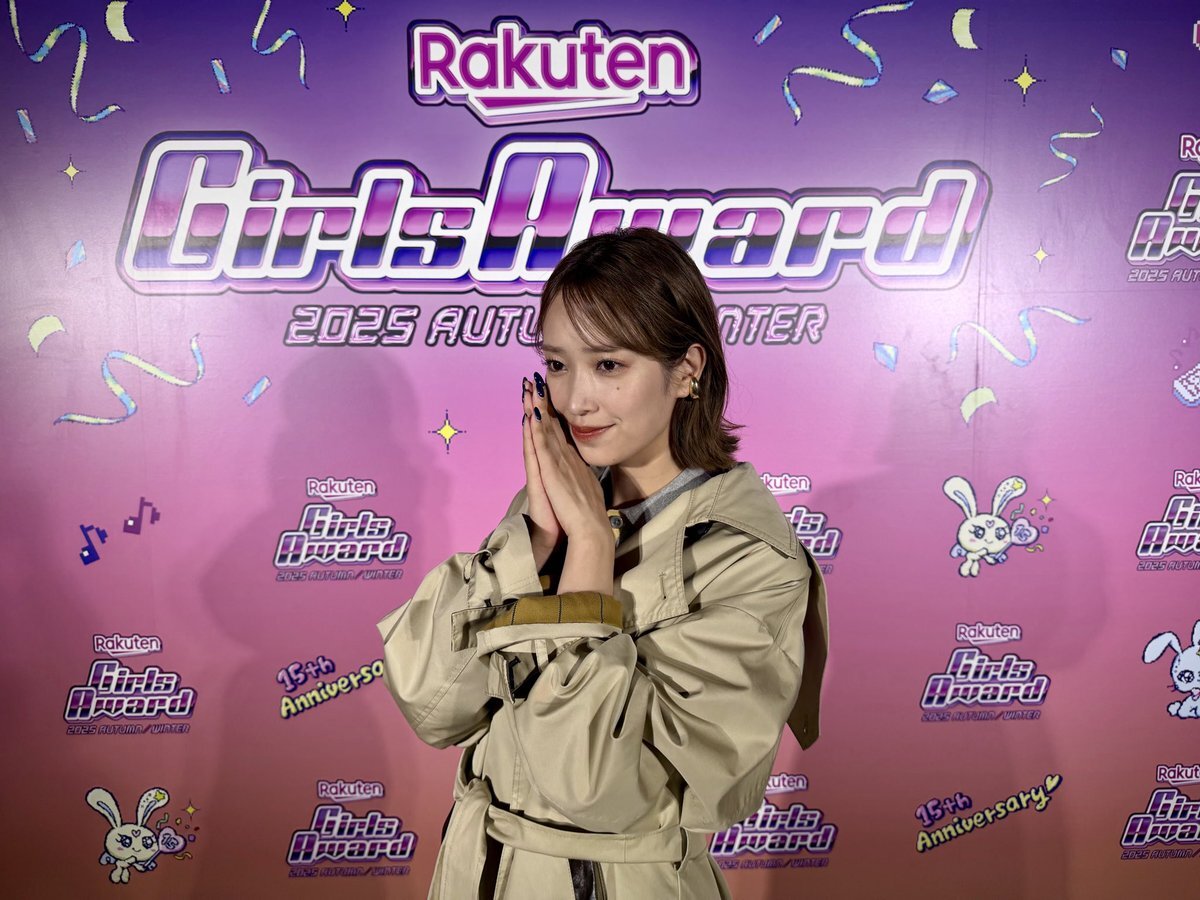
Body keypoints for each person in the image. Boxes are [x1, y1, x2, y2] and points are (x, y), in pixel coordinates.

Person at [376, 227, 830, 899]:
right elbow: (432, 703)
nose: (574, 401)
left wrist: (589, 554)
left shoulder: (750, 560)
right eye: (557, 365)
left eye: (609, 365)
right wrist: (533, 541)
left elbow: (592, 787)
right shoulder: (557, 510)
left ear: (687, 370)